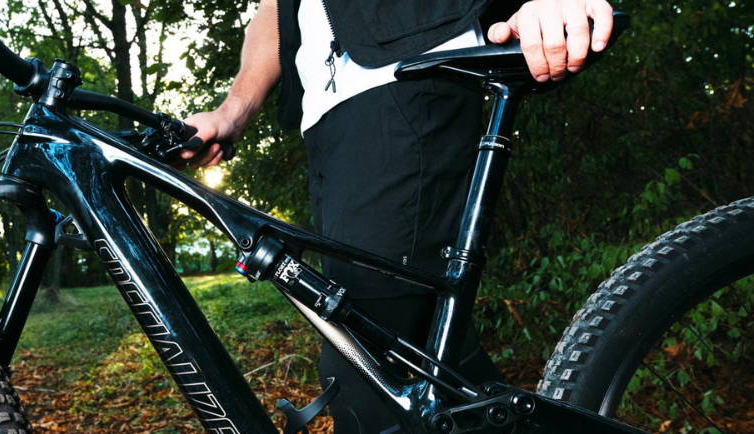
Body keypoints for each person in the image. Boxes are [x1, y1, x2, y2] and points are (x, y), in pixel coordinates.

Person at [182, 0, 615, 432]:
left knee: (361, 373)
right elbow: (276, 11)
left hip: (405, 78)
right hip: (326, 120)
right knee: (438, 364)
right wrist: (231, 111)